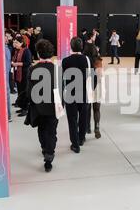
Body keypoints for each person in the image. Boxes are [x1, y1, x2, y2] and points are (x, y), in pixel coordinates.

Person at [27, 39, 59, 172]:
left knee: (41, 130)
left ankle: (45, 148)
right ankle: (49, 155)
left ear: (38, 53)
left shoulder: (32, 69)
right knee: (52, 131)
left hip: (38, 107)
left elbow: (29, 92)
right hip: (53, 107)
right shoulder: (57, 69)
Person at [62, 37, 89, 153]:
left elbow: (63, 79)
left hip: (70, 93)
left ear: (71, 46)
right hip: (84, 92)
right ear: (82, 46)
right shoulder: (86, 59)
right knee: (83, 117)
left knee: (72, 119)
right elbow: (91, 76)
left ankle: (75, 144)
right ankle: (81, 138)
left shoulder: (65, 61)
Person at [83, 32, 103, 139]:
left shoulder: (84, 60)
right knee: (96, 109)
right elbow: (100, 75)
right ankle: (97, 127)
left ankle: (87, 128)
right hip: (97, 86)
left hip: (86, 85)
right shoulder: (98, 60)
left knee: (86, 108)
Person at [12, 34, 32, 117]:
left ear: (21, 43)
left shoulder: (26, 51)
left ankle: (25, 109)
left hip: (24, 74)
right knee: (20, 91)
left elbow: (28, 63)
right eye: (14, 42)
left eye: (16, 42)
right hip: (18, 73)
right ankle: (22, 106)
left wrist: (16, 64)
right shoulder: (17, 51)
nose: (14, 44)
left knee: (24, 91)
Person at [4, 32, 12, 123]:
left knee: (6, 93)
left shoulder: (5, 49)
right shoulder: (6, 49)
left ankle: (8, 115)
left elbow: (7, 66)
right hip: (4, 75)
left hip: (4, 75)